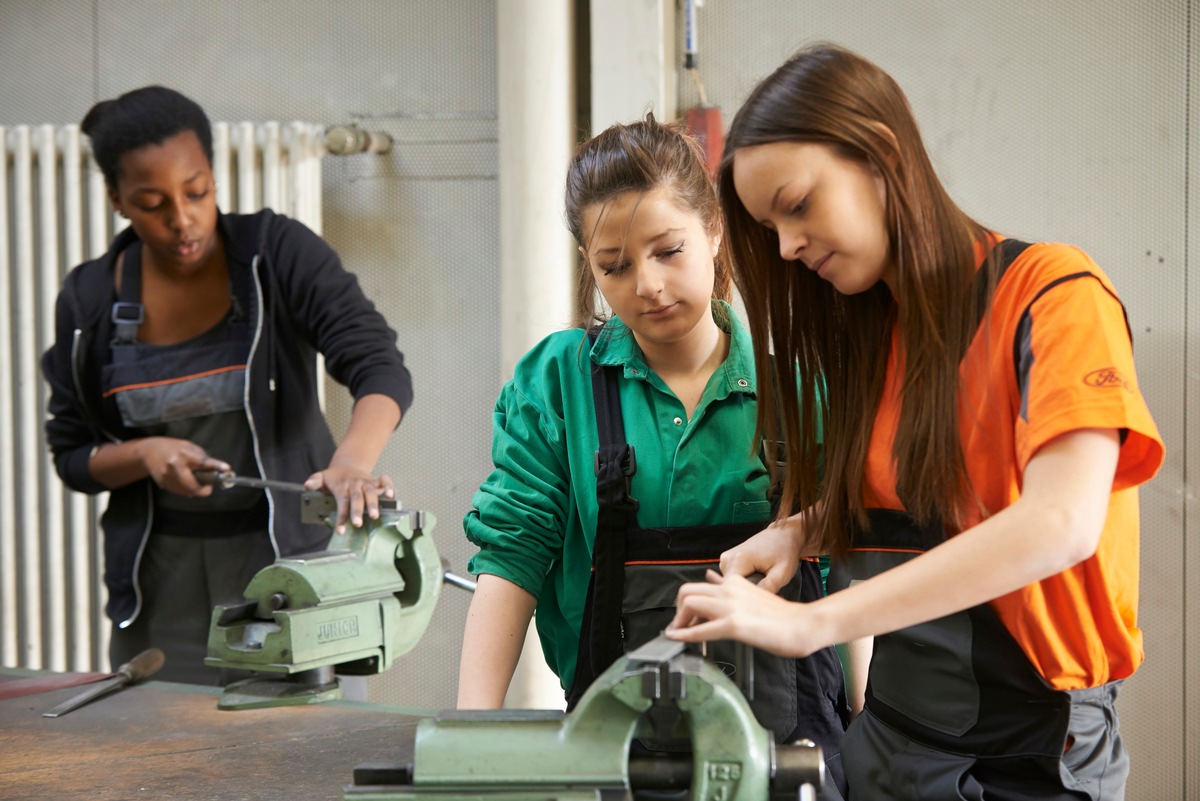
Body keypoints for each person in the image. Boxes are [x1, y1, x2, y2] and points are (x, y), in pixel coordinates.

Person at [665, 44, 1164, 800]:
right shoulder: (878, 336)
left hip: (1029, 751)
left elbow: (1060, 520)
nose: (788, 246)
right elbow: (934, 498)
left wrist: (812, 623)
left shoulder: (1054, 297)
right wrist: (806, 528)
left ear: (882, 154)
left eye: (797, 205)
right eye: (770, 227)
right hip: (897, 738)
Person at [457, 114, 849, 791]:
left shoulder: (799, 388)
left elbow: (856, 562)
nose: (648, 284)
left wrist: (872, 729)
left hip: (788, 761)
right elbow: (511, 559)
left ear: (715, 230)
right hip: (611, 761)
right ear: (590, 265)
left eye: (668, 250)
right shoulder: (558, 386)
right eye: (615, 265)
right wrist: (466, 746)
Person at [41, 86, 413, 685]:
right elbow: (73, 456)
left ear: (214, 176)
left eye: (197, 192)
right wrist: (144, 454)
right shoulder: (89, 300)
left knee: (288, 753)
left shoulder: (277, 255)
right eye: (152, 203)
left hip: (284, 571)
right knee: (160, 759)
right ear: (117, 201)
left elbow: (378, 365)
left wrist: (351, 465)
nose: (182, 220)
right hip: (158, 584)